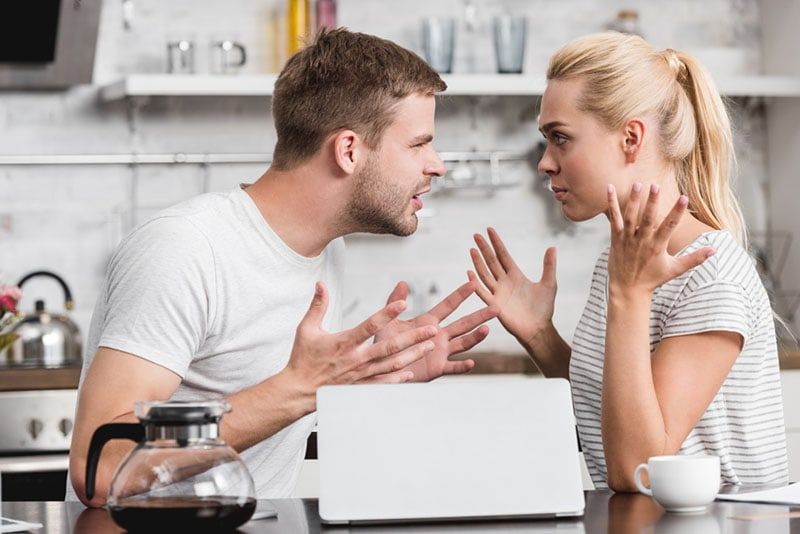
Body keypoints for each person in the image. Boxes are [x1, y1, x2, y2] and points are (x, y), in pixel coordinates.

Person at [68, 28, 498, 506]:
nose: (436, 164)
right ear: (349, 150)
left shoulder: (326, 251)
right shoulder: (186, 248)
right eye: (419, 144)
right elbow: (99, 466)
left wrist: (370, 376)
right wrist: (301, 387)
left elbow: (283, 408)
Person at [468, 32, 789, 491]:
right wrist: (542, 337)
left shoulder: (710, 273)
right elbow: (609, 423)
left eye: (560, 138)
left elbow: (638, 470)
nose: (544, 163)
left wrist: (629, 294)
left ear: (631, 139)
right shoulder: (620, 263)